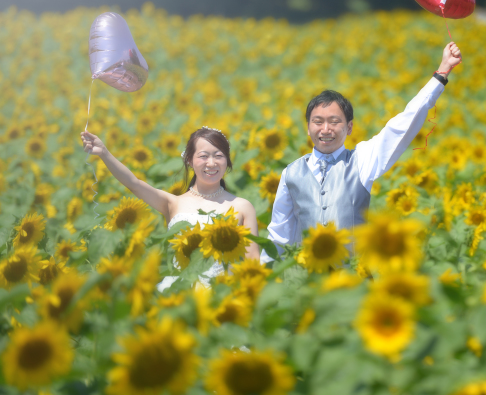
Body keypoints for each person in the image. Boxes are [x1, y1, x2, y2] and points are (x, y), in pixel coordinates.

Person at [265, 42, 462, 257]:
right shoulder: (290, 173)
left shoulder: (362, 160)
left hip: (355, 280)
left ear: (349, 127)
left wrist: (442, 73)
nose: (326, 129)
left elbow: (400, 126)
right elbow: (279, 236)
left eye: (334, 121)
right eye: (318, 122)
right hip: (310, 284)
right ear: (308, 127)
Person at [80, 127, 261, 287]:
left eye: (219, 155)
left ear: (227, 161)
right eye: (203, 156)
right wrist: (104, 152)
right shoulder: (173, 203)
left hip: (221, 294)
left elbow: (252, 261)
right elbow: (134, 183)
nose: (211, 163)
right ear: (189, 160)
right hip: (177, 292)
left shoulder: (243, 206)